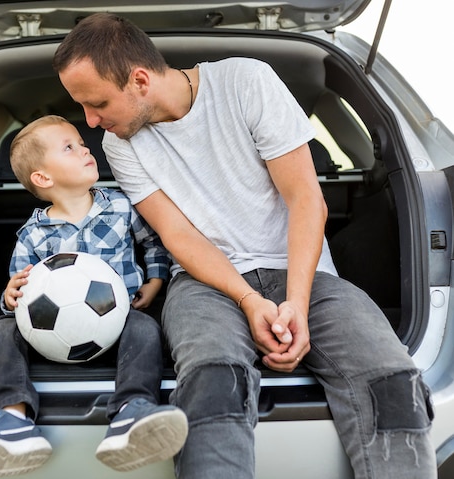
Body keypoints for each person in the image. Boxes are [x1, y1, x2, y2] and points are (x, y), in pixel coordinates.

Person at [52, 12, 437, 479]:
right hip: (202, 284)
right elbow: (179, 236)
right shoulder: (121, 143)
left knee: (393, 384)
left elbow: (305, 201)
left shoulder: (246, 82)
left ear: (139, 80)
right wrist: (249, 299)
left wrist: (296, 302)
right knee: (213, 382)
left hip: (304, 273)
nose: (91, 123)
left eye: (97, 104)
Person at [0, 115, 188, 477]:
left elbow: (154, 242)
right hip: (53, 338)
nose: (85, 149)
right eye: (69, 147)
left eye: (82, 144)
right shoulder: (32, 234)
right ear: (43, 178)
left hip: (117, 322)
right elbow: (19, 289)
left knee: (145, 328)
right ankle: (10, 419)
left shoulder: (121, 206)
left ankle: (132, 410)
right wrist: (9, 298)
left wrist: (155, 279)